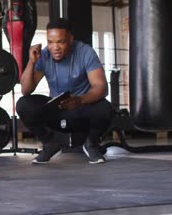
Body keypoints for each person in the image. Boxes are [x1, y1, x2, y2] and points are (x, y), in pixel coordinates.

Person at [16, 18, 112, 164]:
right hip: (56, 109)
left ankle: (91, 144)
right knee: (24, 104)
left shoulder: (85, 52)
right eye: (50, 42)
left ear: (71, 39)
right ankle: (49, 144)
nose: (55, 47)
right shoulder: (43, 55)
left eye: (61, 42)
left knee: (105, 108)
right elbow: (26, 90)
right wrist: (31, 62)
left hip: (81, 108)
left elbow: (101, 87)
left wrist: (80, 100)